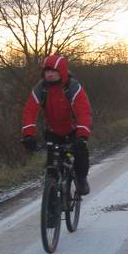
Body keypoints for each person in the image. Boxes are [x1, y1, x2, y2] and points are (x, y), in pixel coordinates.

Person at [21, 54, 93, 195]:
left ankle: (81, 180)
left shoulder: (72, 87)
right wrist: (28, 134)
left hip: (73, 131)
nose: (49, 74)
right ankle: (52, 206)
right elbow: (30, 110)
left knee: (81, 154)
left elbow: (83, 111)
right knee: (52, 168)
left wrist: (82, 135)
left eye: (54, 71)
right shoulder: (41, 88)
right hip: (53, 132)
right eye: (47, 71)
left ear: (62, 71)